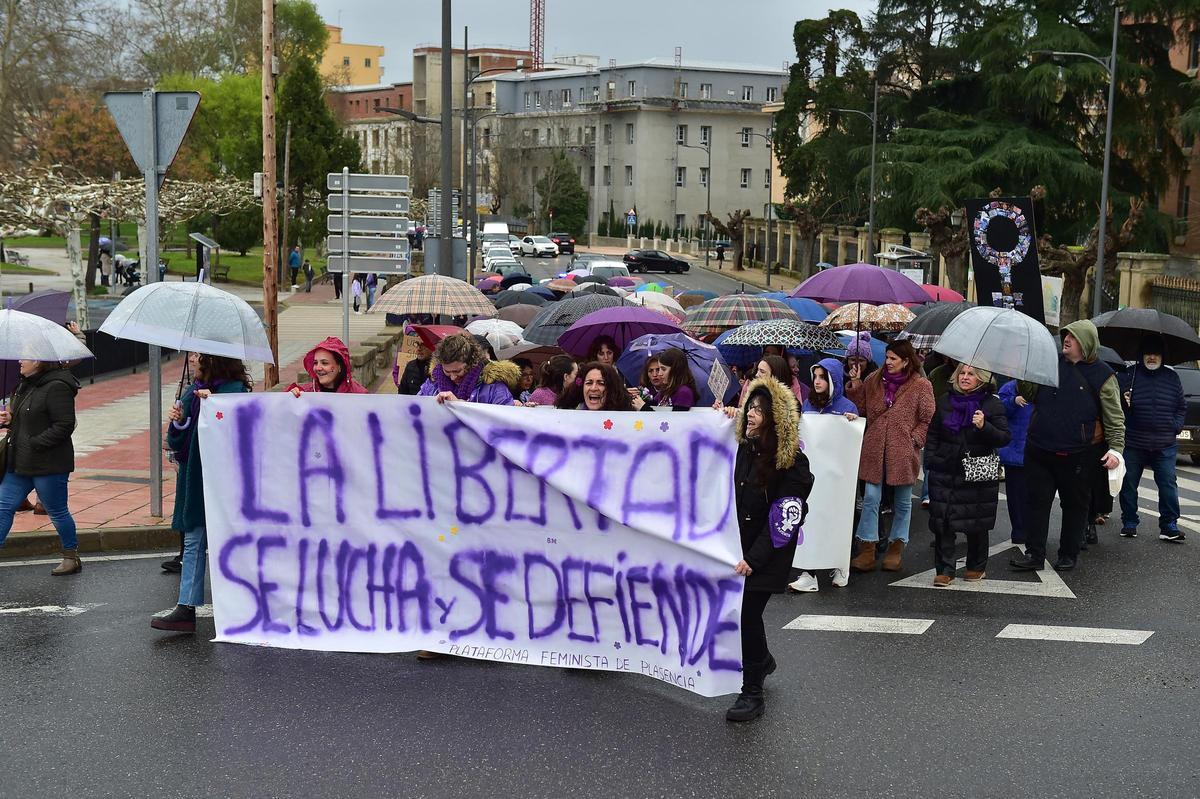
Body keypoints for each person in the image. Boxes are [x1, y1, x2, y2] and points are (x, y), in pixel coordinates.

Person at [727, 375, 814, 722]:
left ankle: (752, 692)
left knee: (746, 614)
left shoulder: (789, 462)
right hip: (742, 548)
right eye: (750, 406)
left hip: (768, 552)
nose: (751, 414)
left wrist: (754, 558)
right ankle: (761, 661)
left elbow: (785, 517)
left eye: (760, 410)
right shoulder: (745, 448)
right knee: (746, 613)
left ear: (775, 419)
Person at [1011, 320, 1124, 573]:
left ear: (1086, 342)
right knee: (1037, 503)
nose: (1066, 340)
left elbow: (1115, 418)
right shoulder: (1050, 364)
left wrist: (1116, 450)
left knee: (1074, 506)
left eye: (1072, 337)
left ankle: (1068, 554)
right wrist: (1024, 370)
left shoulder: (1104, 375)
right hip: (1039, 448)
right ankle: (1035, 553)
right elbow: (1029, 394)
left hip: (1079, 454)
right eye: (1065, 335)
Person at [152, 353, 253, 632]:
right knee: (194, 540)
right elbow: (176, 440)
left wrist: (217, 408)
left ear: (214, 359)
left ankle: (244, 605)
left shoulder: (235, 392)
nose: (193, 360)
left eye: (198, 355)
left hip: (226, 482)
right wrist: (179, 420)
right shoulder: (192, 391)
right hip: (196, 478)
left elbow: (243, 433)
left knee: (233, 543)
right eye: (193, 355)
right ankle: (186, 607)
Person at [845, 339, 935, 573]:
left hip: (903, 451)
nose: (888, 362)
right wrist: (854, 385)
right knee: (871, 498)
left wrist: (914, 440)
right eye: (887, 357)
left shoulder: (921, 385)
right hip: (874, 447)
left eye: (894, 358)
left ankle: (896, 548)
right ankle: (867, 549)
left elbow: (927, 418)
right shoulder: (873, 380)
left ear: (906, 361)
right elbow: (861, 409)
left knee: (903, 502)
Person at [925, 364, 1010, 586]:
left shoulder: (992, 403)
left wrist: (984, 426)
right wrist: (932, 459)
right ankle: (944, 569)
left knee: (976, 521)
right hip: (946, 470)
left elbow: (1003, 437)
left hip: (977, 471)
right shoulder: (945, 400)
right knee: (943, 521)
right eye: (961, 373)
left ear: (981, 378)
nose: (964, 377)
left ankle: (976, 566)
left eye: (970, 374)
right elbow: (933, 433)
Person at [0, 359, 81, 575]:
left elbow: (64, 425)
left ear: (38, 361)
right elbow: (26, 418)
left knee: (57, 511)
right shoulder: (24, 384)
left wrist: (35, 443)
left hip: (49, 464)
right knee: (2, 507)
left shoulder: (57, 386)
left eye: (25, 356)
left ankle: (70, 557)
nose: (19, 360)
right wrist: (10, 419)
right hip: (19, 462)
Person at [789, 357, 859, 593]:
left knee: (837, 519)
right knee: (811, 520)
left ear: (834, 380)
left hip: (837, 479)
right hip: (812, 477)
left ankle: (839, 564)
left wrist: (851, 424)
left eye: (823, 377)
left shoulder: (847, 408)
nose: (817, 381)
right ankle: (808, 573)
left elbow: (851, 443)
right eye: (815, 376)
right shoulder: (808, 406)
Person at [1117, 333, 1186, 541]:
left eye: (1156, 353)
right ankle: (1129, 522)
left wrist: (1175, 426)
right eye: (1148, 353)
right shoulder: (1129, 375)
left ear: (1162, 356)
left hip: (1164, 443)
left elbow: (1181, 407)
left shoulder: (1172, 378)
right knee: (1128, 484)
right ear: (1141, 355)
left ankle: (1169, 525)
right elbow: (1115, 407)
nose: (1152, 357)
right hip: (1134, 442)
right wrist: (1123, 398)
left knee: (1168, 485)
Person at [418, 333, 518, 405]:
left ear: (471, 363)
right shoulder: (432, 384)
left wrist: (463, 407)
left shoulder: (494, 388)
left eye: (458, 371)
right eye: (447, 372)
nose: (453, 377)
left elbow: (504, 424)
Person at [997, 379, 1035, 545]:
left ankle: (1034, 531)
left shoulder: (1045, 387)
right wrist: (1013, 401)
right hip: (1015, 450)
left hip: (1037, 449)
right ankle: (1019, 531)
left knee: (1035, 496)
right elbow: (999, 411)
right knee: (1016, 496)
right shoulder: (1010, 387)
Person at [287, 337, 369, 395]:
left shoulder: (359, 395)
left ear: (340, 367)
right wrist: (290, 398)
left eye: (325, 363)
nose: (318, 368)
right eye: (315, 363)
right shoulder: (305, 393)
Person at [629, 348, 696, 410]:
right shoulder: (665, 390)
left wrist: (643, 408)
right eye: (660, 369)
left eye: (663, 369)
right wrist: (634, 398)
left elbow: (675, 420)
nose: (659, 373)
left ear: (675, 370)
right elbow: (651, 405)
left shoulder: (684, 392)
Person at [557, 363, 633, 411]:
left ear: (612, 389)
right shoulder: (567, 417)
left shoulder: (625, 420)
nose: (593, 388)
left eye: (601, 383)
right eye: (589, 383)